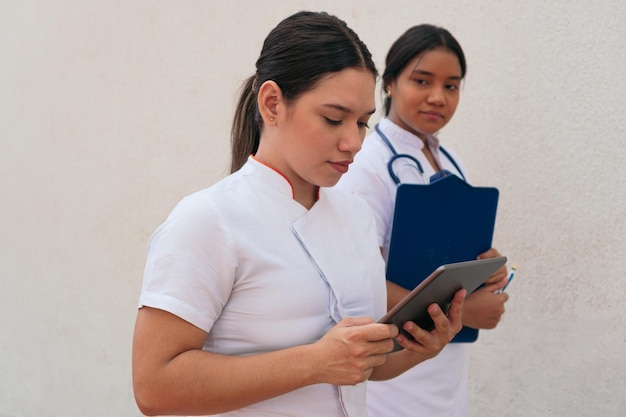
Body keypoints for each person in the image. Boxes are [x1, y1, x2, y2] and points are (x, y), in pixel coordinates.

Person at [132, 12, 466, 417]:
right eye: (333, 119)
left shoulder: (355, 216)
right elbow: (155, 387)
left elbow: (363, 364)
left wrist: (420, 348)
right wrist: (314, 362)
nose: (353, 142)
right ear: (272, 103)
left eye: (362, 123)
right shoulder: (208, 219)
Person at [335, 24, 510, 417]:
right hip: (395, 367)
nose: (438, 97)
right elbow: (357, 276)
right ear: (391, 83)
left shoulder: (450, 162)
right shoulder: (366, 166)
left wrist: (486, 270)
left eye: (452, 86)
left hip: (445, 363)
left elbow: (449, 259)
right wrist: (463, 310)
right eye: (422, 80)